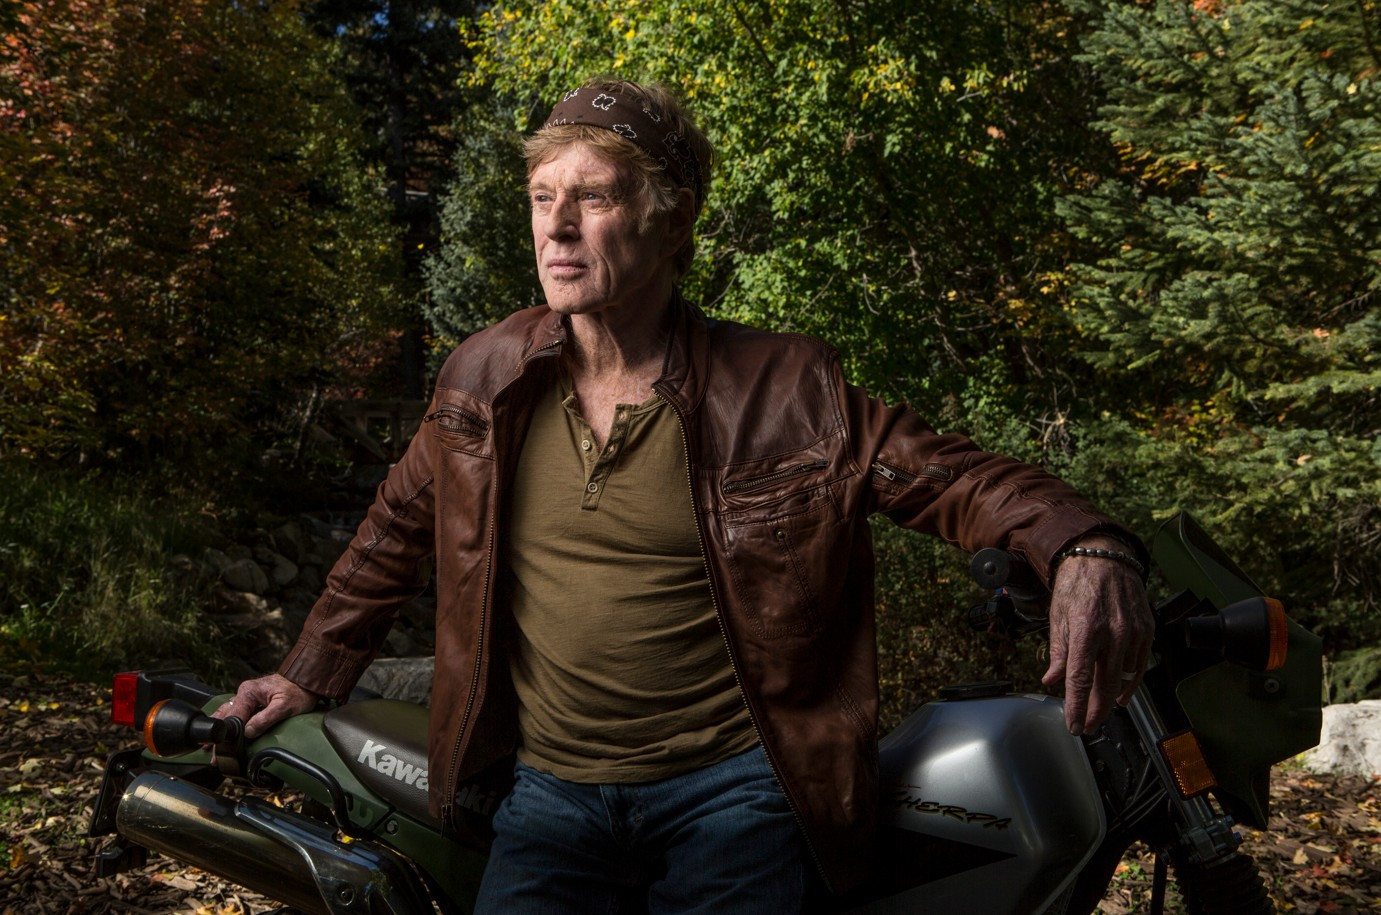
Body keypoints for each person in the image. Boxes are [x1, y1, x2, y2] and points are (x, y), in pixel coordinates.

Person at [217, 78, 1152, 912]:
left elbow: (957, 478)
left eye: (593, 196)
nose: (556, 226)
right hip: (547, 790)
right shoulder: (486, 374)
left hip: (734, 793)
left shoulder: (784, 390)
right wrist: (308, 671)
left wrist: (1083, 543)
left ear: (672, 221)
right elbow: (393, 531)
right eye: (541, 196)